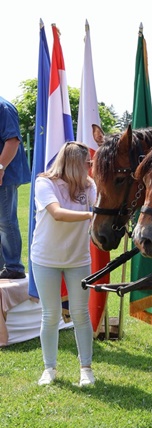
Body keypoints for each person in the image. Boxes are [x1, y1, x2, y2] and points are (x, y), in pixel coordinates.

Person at [31, 142, 96, 386]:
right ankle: (49, 368)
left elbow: (102, 206)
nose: (89, 167)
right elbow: (57, 213)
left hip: (78, 259)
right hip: (45, 258)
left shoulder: (89, 186)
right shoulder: (44, 183)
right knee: (50, 314)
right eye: (86, 163)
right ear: (73, 163)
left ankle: (86, 369)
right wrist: (92, 214)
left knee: (80, 314)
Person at [0, 96, 32, 279]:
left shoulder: (4, 107)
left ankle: (14, 267)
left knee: (5, 221)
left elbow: (13, 141)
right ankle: (4, 266)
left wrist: (1, 167)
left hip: (5, 176)